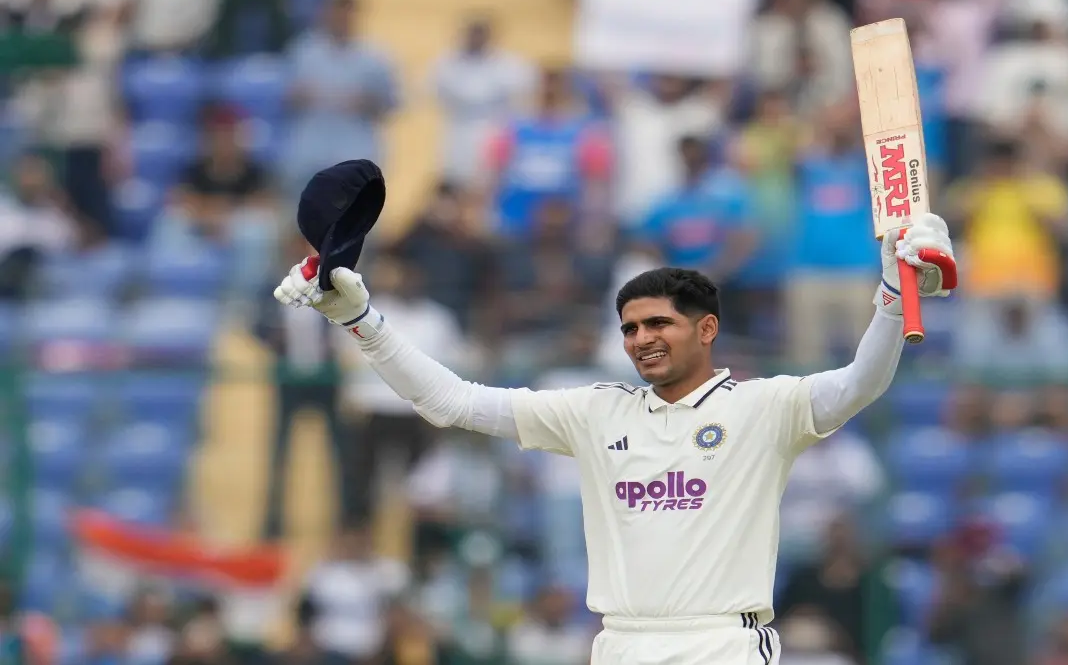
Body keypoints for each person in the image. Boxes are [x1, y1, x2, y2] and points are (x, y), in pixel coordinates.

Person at [272, 212, 957, 664]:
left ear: (707, 329)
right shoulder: (596, 412)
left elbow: (860, 382)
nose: (640, 340)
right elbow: (450, 401)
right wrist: (362, 319)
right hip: (621, 644)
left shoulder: (764, 405)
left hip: (719, 643)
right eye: (630, 328)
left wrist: (894, 295)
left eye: (658, 323)